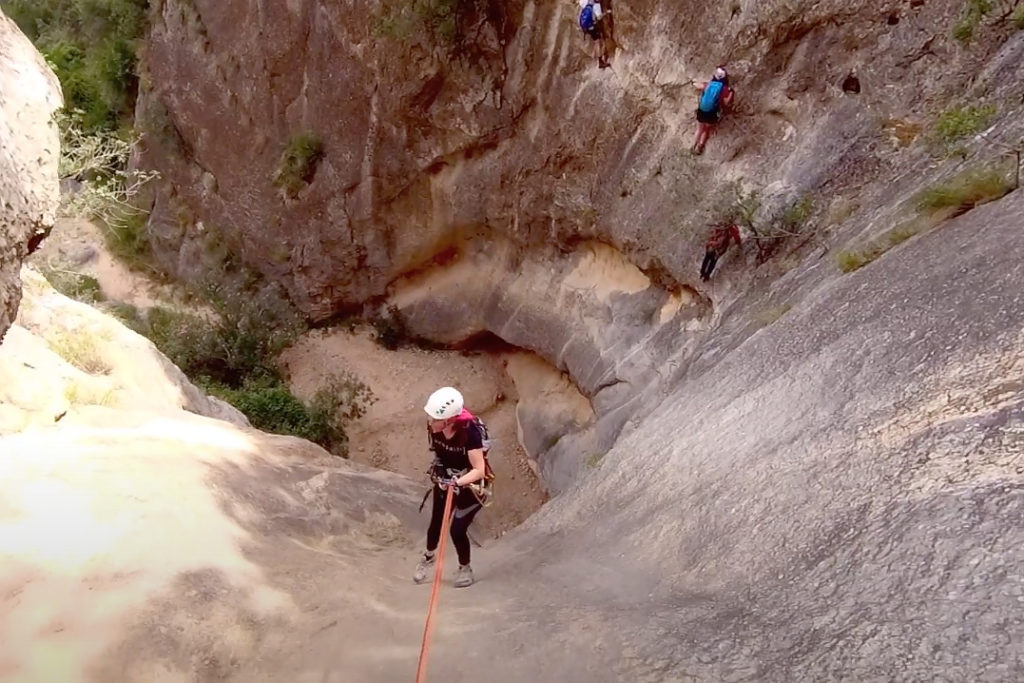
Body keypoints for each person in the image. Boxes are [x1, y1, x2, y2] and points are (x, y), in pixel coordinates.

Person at [413, 386, 489, 588]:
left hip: (471, 486)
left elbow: (479, 469)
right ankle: (428, 557)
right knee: (436, 523)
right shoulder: (435, 429)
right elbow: (439, 453)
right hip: (446, 479)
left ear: (448, 420)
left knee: (457, 529)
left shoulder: (470, 433)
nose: (430, 422)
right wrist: (439, 470)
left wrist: (458, 482)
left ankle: (465, 567)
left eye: (435, 419)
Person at [691, 67, 735, 155]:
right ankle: (700, 146)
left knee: (699, 129)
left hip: (702, 110)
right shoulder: (723, 89)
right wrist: (731, 93)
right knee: (706, 129)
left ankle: (692, 146)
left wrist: (694, 82)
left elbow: (698, 86)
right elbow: (726, 102)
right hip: (711, 112)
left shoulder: (708, 84)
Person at [579, 0, 610, 69]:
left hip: (587, 27)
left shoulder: (587, 3)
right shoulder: (596, 6)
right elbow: (599, 17)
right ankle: (600, 61)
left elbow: (581, 3)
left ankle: (597, 58)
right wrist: (606, 13)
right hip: (592, 27)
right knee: (598, 42)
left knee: (596, 41)